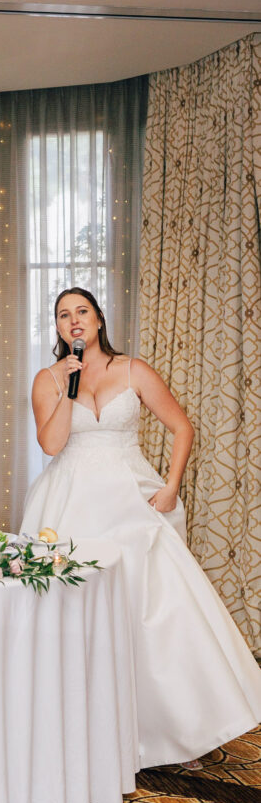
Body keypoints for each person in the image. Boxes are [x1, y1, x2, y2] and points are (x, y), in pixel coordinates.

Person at [21, 286, 261, 769]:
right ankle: (82, 731)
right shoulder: (48, 379)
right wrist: (67, 388)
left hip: (129, 496)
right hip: (69, 502)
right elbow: (51, 445)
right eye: (63, 315)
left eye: (81, 311)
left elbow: (182, 427)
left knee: (152, 611)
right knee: (75, 615)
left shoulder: (132, 369)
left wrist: (171, 485)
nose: (73, 321)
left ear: (99, 318)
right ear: (57, 327)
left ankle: (175, 731)